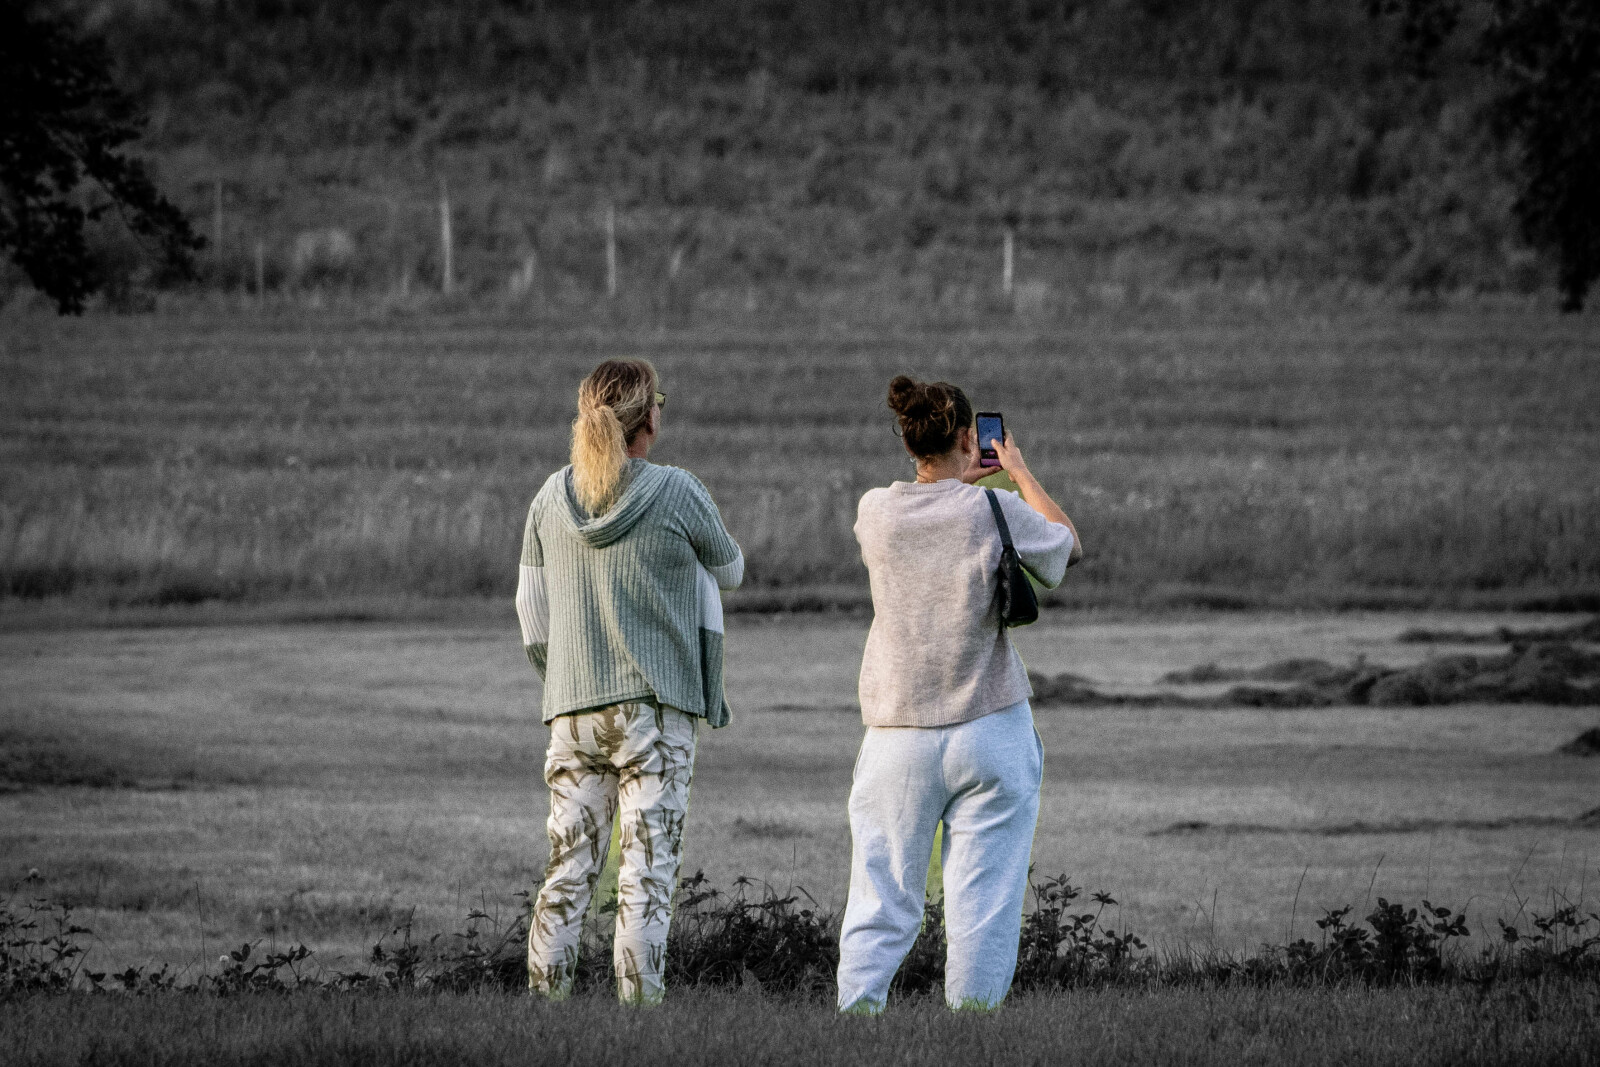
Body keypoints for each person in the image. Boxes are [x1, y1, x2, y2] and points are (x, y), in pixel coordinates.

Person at [836, 375, 1082, 1013]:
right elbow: (1066, 549)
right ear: (973, 439)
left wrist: (955, 482)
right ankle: (971, 1028)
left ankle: (855, 1016)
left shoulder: (874, 512)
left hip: (897, 735)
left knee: (880, 896)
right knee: (984, 904)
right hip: (991, 726)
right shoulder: (993, 509)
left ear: (908, 440)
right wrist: (1018, 473)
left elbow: (930, 511)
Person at [516, 358, 744, 1005]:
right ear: (649, 418)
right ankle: (639, 1014)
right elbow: (730, 570)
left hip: (571, 709)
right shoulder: (677, 490)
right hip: (655, 711)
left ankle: (545, 1008)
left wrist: (562, 679)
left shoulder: (549, 498)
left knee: (567, 872)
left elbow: (530, 611)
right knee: (646, 873)